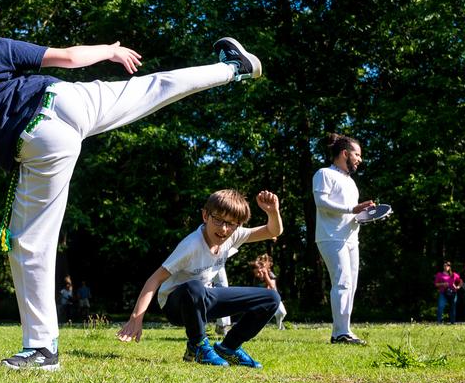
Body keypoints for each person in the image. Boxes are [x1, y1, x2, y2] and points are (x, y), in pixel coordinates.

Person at [0, 0, 263, 371]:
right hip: (67, 98)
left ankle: (42, 349)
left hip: (41, 139)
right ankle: (234, 68)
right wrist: (110, 51)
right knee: (153, 87)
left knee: (30, 245)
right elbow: (67, 56)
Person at [117, 189, 283, 368]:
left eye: (231, 223)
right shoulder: (191, 246)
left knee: (270, 299)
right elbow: (154, 279)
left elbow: (273, 231)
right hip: (176, 305)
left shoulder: (233, 235)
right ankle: (197, 345)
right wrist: (136, 318)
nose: (224, 228)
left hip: (203, 300)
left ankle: (229, 348)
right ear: (205, 216)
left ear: (237, 225)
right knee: (194, 287)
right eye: (217, 220)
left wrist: (272, 212)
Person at [313, 133, 376, 345]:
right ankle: (340, 333)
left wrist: (367, 214)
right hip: (330, 237)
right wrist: (353, 208)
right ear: (344, 153)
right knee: (342, 282)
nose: (360, 159)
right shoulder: (324, 174)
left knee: (351, 284)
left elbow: (352, 214)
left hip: (350, 238)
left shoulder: (351, 183)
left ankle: (343, 330)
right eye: (357, 154)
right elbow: (321, 203)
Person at [250, 253, 287, 329]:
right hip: (262, 299)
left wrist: (266, 275)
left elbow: (272, 287)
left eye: (260, 269)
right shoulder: (256, 279)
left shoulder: (270, 274)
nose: (258, 271)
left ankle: (279, 325)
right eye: (256, 269)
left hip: (274, 297)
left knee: (282, 313)